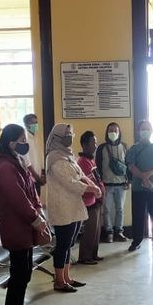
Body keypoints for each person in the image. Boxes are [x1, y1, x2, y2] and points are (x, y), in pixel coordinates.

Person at [0, 123, 45, 305]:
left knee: (24, 274)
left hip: (25, 226)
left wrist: (39, 209)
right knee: (19, 275)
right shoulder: (5, 166)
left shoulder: (17, 161)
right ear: (11, 143)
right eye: (22, 140)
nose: (25, 144)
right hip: (17, 227)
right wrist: (35, 217)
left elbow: (31, 191)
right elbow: (18, 198)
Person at [45, 123, 100, 292]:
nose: (70, 137)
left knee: (69, 244)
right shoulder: (54, 157)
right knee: (63, 245)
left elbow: (81, 175)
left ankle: (67, 277)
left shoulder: (68, 155)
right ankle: (59, 281)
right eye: (66, 134)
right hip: (62, 208)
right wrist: (91, 189)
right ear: (57, 138)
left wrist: (92, 184)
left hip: (74, 206)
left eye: (71, 133)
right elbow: (70, 183)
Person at [126, 120, 153, 252]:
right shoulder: (134, 148)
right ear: (139, 131)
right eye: (142, 129)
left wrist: (148, 174)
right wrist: (144, 178)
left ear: (151, 131)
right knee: (138, 215)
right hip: (138, 187)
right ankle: (136, 241)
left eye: (147, 128)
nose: (145, 131)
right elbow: (131, 166)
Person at [95, 122, 128, 243]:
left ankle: (119, 231)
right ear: (107, 132)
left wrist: (128, 180)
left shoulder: (124, 146)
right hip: (106, 184)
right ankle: (109, 232)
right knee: (107, 209)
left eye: (115, 130)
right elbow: (97, 166)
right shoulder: (101, 148)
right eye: (110, 130)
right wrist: (99, 183)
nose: (113, 133)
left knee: (120, 209)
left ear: (119, 133)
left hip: (121, 184)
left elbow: (128, 165)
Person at [77, 131, 105, 264]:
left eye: (96, 142)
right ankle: (85, 257)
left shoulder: (90, 160)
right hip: (89, 201)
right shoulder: (82, 162)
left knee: (96, 230)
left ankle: (93, 254)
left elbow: (97, 179)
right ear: (84, 145)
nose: (95, 145)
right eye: (93, 143)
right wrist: (98, 191)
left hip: (96, 199)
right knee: (90, 230)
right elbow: (89, 182)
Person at [22, 113, 47, 190]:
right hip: (30, 179)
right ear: (26, 125)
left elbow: (40, 157)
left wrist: (42, 173)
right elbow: (27, 162)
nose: (35, 125)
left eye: (36, 123)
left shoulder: (35, 138)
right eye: (33, 123)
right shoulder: (24, 139)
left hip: (38, 178)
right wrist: (37, 177)